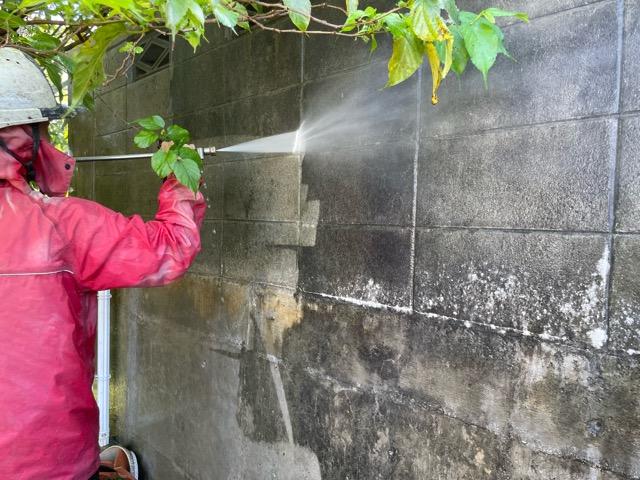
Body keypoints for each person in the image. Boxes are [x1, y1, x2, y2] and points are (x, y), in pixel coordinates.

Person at [0, 47, 205, 479]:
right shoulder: (61, 226)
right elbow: (171, 248)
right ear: (23, 137)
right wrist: (181, 177)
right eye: (43, 130)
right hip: (49, 462)